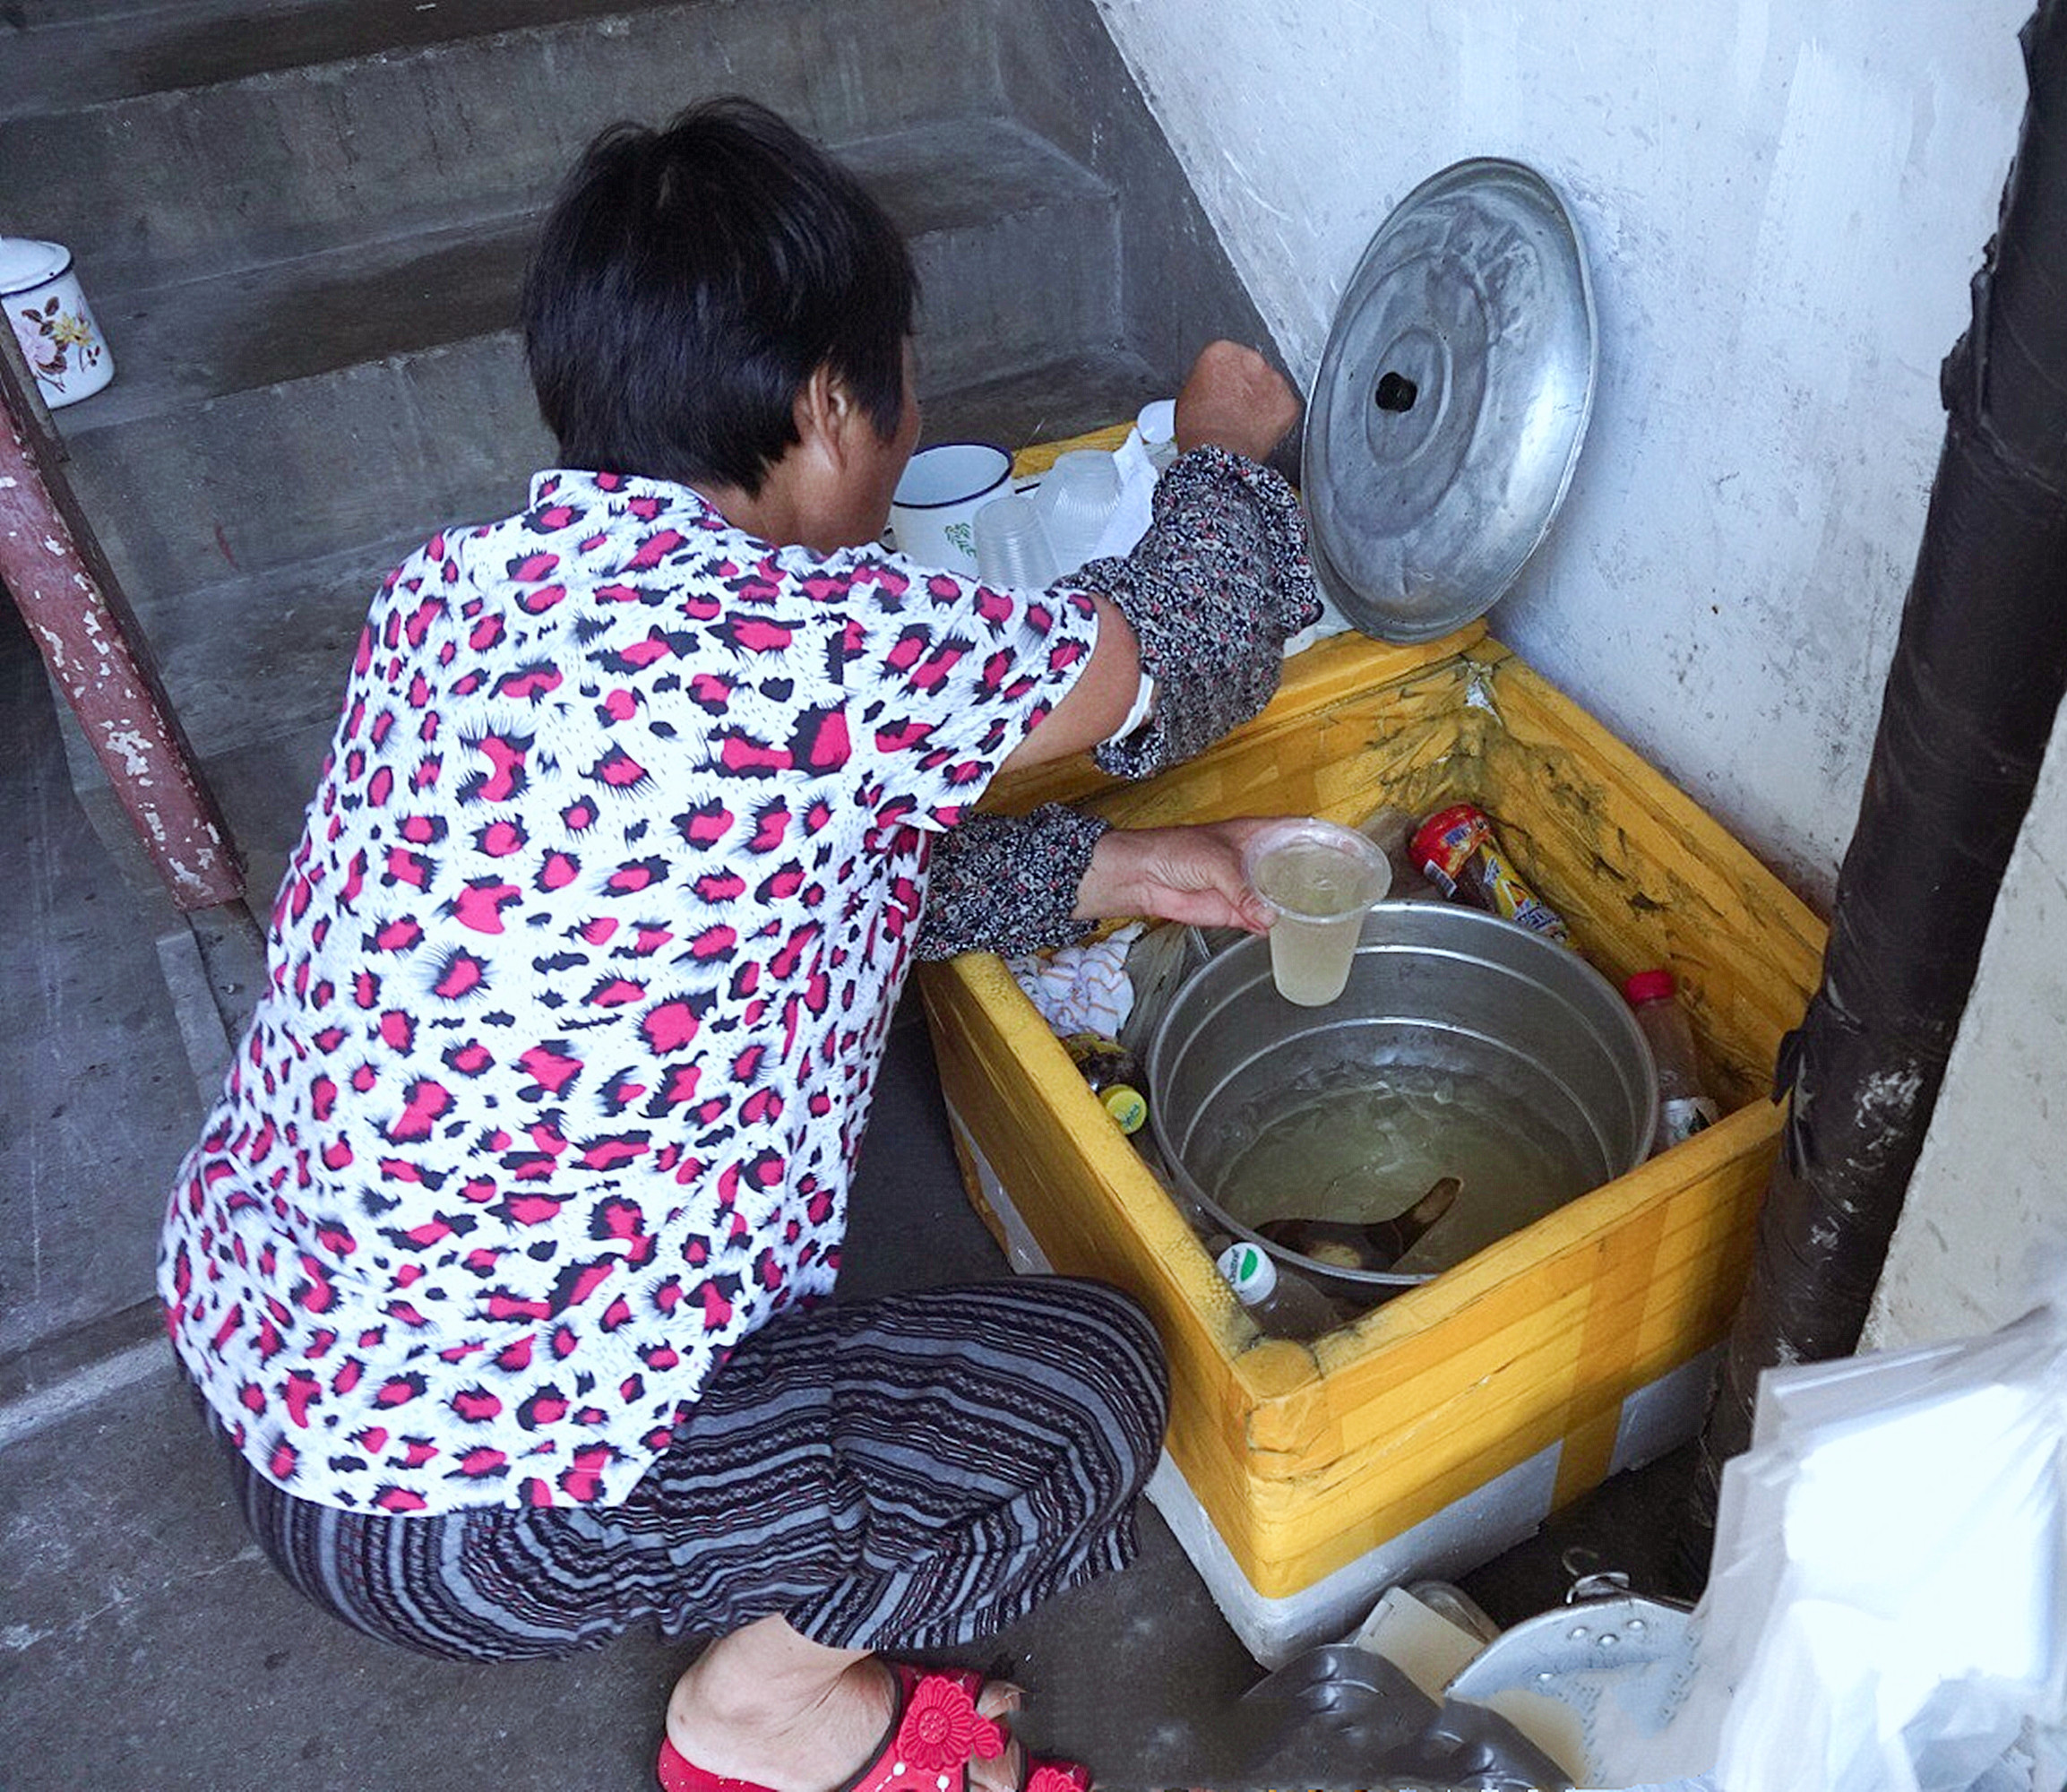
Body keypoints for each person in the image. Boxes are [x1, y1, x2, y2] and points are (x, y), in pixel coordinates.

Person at [155, 98, 1322, 1792]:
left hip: (273, 1367)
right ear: (828, 403)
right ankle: (763, 1718)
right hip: (463, 1526)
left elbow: (756, 895)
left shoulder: (453, 596)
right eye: (901, 387)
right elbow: (1189, 658)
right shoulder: (809, 639)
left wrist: (1115, 868)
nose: (913, 420)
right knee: (1093, 1394)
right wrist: (1221, 444)